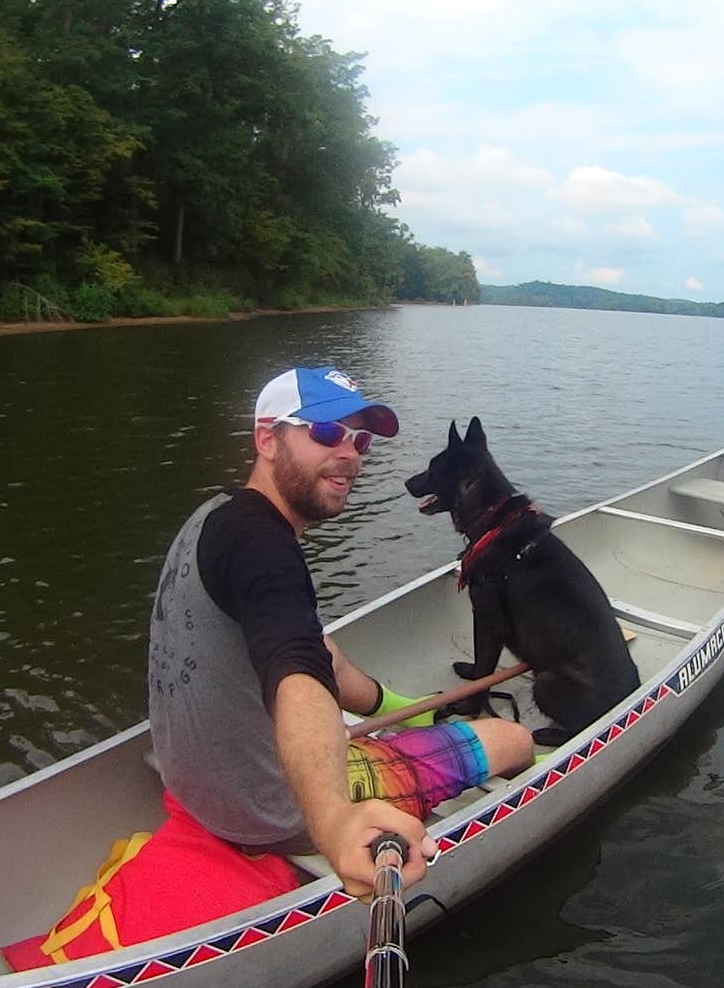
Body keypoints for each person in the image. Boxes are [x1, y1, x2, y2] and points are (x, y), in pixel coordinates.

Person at [147, 367, 534, 899]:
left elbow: (314, 652)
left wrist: (405, 706)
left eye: (361, 440)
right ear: (266, 438)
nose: (350, 453)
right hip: (272, 811)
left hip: (198, 787)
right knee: (511, 739)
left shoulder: (217, 518)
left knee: (342, 672)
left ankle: (417, 716)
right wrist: (331, 820)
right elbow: (297, 674)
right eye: (326, 432)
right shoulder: (267, 548)